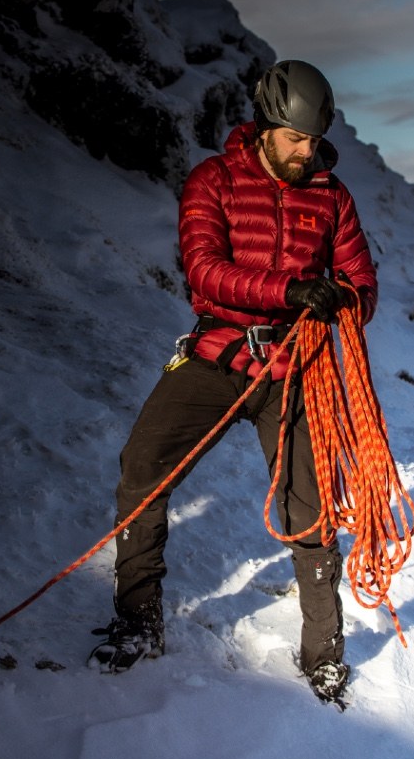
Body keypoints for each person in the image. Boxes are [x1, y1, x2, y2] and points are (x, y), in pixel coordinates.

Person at [89, 60, 378, 705]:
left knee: (312, 509)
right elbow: (206, 274)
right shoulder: (213, 181)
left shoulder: (332, 197)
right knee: (143, 469)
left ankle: (324, 654)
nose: (309, 151)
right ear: (268, 127)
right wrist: (291, 289)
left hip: (298, 368)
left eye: (315, 139)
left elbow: (363, 285)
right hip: (219, 357)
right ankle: (138, 621)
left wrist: (342, 299)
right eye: (297, 139)